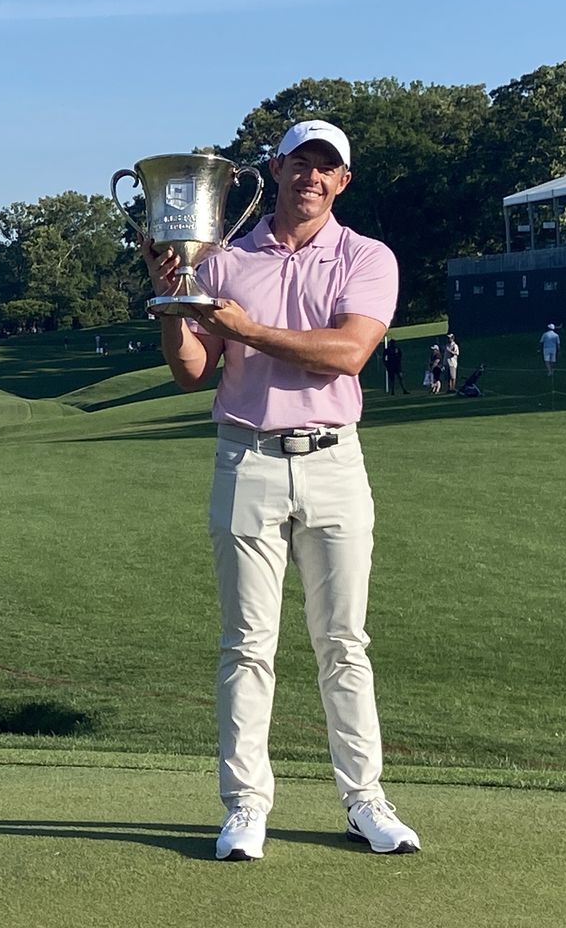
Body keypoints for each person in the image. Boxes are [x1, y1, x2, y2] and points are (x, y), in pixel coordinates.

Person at [145, 118, 421, 861]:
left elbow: (348, 353)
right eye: (299, 162)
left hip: (334, 461)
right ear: (276, 169)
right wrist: (172, 300)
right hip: (247, 459)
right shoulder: (226, 259)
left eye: (325, 166)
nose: (311, 176)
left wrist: (250, 329)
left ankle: (366, 803)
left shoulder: (368, 257)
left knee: (344, 644)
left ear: (342, 182)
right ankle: (244, 808)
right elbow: (192, 371)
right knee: (246, 645)